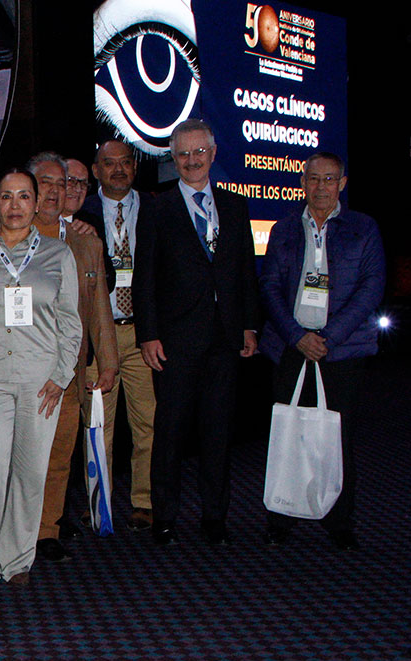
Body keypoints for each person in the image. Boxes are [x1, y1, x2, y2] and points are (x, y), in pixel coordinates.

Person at [0, 168, 82, 585]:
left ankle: (17, 560)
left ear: (36, 202)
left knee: (29, 473)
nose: (15, 205)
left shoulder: (58, 254)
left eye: (24, 196)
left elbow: (70, 321)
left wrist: (62, 374)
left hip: (40, 379)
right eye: (6, 197)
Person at [133, 119, 259, 546]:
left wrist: (249, 325)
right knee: (169, 434)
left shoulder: (235, 206)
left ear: (213, 153)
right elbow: (145, 279)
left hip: (225, 340)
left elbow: (245, 272)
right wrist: (148, 335)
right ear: (173, 157)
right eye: (183, 154)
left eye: (199, 152)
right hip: (174, 343)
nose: (191, 160)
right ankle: (165, 517)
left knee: (218, 434)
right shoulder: (157, 208)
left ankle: (215, 517)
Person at [258, 152, 385, 551]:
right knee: (288, 434)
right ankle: (281, 517)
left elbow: (371, 288)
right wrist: (297, 335)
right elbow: (270, 287)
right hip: (290, 346)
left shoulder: (363, 228)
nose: (321, 187)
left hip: (341, 350)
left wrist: (328, 337)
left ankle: (339, 520)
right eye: (314, 179)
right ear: (302, 182)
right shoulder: (283, 229)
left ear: (342, 184)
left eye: (330, 179)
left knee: (336, 438)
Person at [27, 153, 118, 562]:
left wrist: (109, 362)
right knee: (20, 457)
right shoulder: (6, 234)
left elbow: (99, 308)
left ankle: (46, 530)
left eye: (60, 184)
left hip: (68, 369)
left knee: (60, 454)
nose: (53, 191)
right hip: (20, 369)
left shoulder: (86, 242)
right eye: (44, 182)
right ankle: (18, 528)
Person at [81, 138, 157, 533]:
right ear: (96, 170)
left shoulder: (156, 209)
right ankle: (101, 503)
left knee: (149, 423)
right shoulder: (82, 213)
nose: (118, 170)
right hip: (100, 335)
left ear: (135, 166)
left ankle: (145, 501)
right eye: (109, 163)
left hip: (143, 333)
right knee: (99, 424)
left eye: (125, 162)